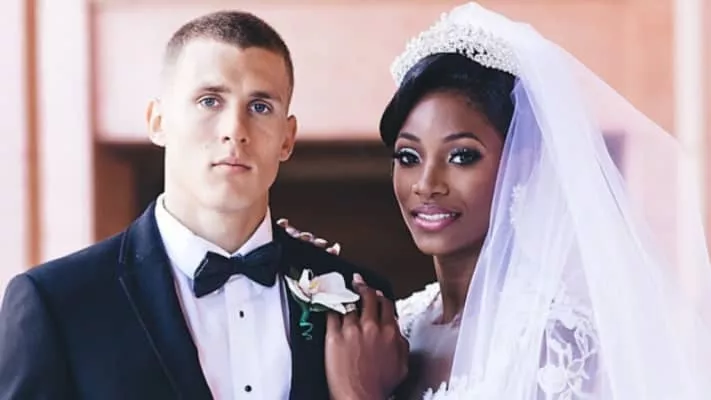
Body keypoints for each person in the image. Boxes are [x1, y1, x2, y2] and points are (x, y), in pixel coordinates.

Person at [285, 2, 711, 398]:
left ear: (522, 165)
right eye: (409, 157)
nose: (426, 184)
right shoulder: (398, 328)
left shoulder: (558, 342)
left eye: (462, 156)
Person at [0, 10, 407, 400]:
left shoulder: (359, 297)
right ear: (158, 121)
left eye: (260, 107)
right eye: (210, 101)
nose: (235, 130)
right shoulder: (57, 304)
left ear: (287, 138)